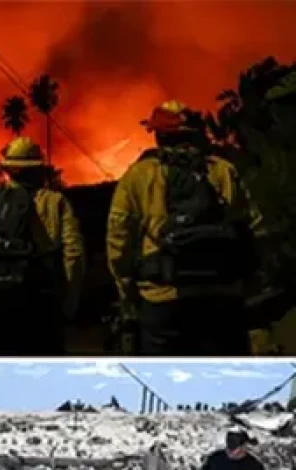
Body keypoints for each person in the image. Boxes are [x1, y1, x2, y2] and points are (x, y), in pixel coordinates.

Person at [107, 100, 265, 356]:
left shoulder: (139, 176)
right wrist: (249, 284)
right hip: (222, 295)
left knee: (166, 375)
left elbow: (118, 241)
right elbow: (253, 228)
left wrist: (127, 294)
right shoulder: (222, 170)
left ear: (158, 135)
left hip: (163, 297)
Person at [0, 137, 85, 355]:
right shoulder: (55, 203)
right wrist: (68, 303)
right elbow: (74, 256)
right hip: (42, 311)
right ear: (38, 169)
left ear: (8, 169)